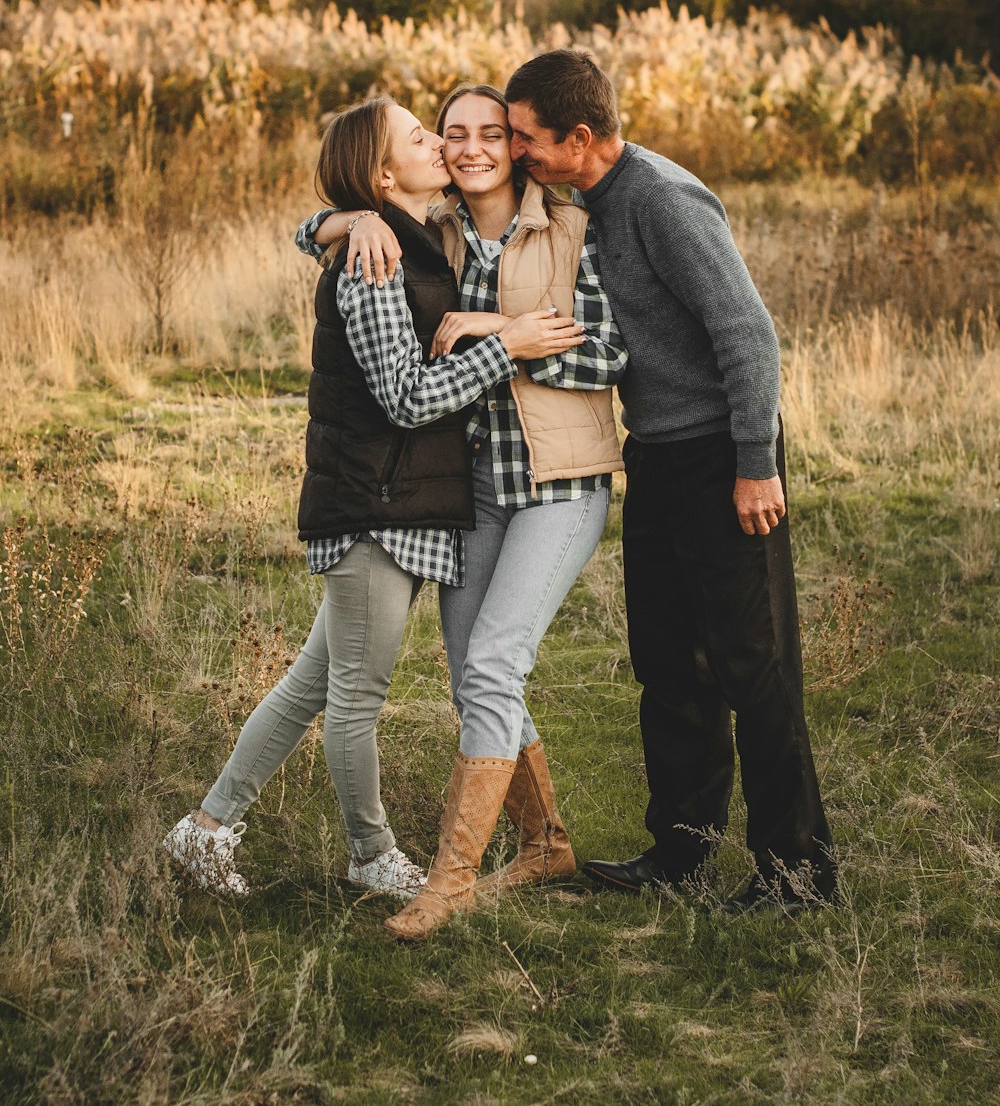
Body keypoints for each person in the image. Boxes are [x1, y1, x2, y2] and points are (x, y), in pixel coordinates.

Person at [162, 95, 585, 901]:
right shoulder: (374, 261)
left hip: (394, 502)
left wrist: (340, 217)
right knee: (357, 698)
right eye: (421, 137)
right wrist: (511, 343)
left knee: (311, 685)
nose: (441, 143)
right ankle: (371, 852)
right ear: (384, 172)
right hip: (374, 508)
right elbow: (406, 396)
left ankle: (207, 830)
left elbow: (320, 220)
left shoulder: (411, 235)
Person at [502, 48, 837, 916]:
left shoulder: (660, 196)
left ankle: (796, 875)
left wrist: (755, 465)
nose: (514, 152)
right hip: (654, 454)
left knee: (753, 667)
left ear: (580, 136)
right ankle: (681, 852)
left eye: (525, 137)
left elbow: (748, 334)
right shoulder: (582, 201)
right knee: (667, 663)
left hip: (723, 459)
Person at [297, 83, 627, 940]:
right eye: (453, 133)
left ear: (517, 146)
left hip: (559, 479)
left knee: (490, 666)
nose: (471, 147)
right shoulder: (429, 229)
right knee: (468, 671)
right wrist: (343, 220)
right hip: (472, 486)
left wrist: (497, 325)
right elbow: (310, 228)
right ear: (436, 147)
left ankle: (448, 881)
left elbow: (609, 349)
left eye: (491, 133)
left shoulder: (572, 225)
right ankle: (545, 841)